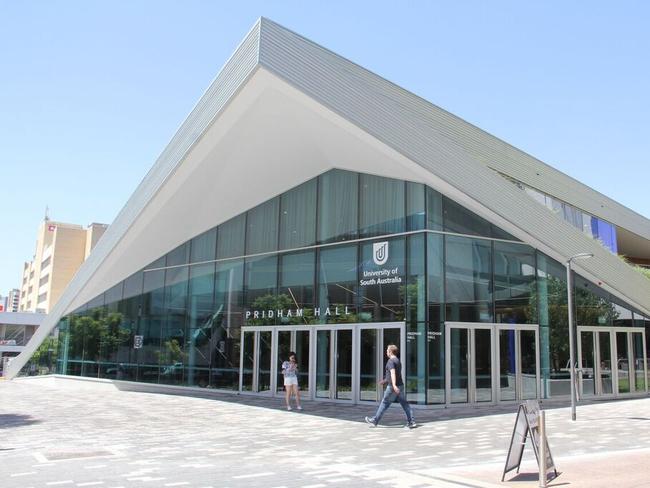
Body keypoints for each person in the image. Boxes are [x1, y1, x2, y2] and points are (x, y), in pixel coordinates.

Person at [365, 344, 415, 428]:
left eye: (387, 350)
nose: (386, 351)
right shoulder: (397, 361)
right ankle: (411, 422)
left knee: (384, 403)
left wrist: (394, 385)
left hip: (392, 387)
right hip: (400, 386)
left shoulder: (390, 361)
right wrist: (384, 381)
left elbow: (393, 373)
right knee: (405, 404)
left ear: (390, 352)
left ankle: (375, 420)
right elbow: (394, 374)